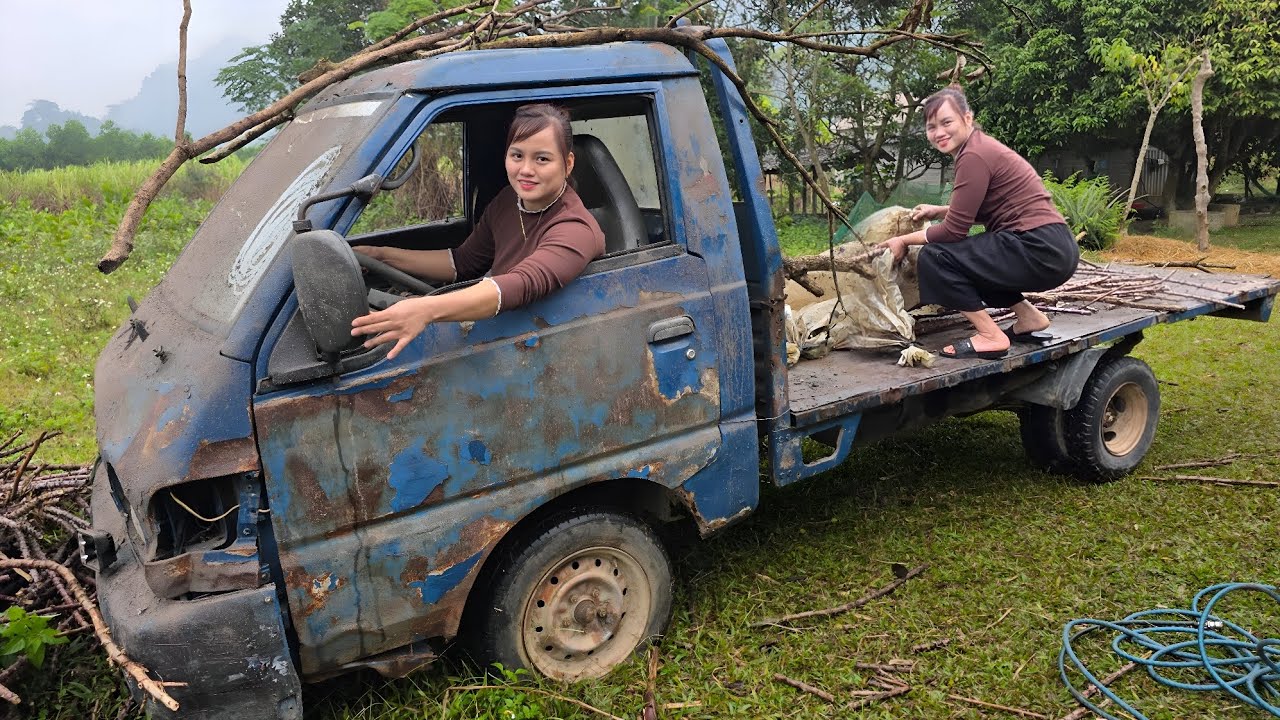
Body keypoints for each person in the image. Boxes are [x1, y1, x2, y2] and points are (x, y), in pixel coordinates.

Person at [351, 103, 606, 359]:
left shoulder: (576, 228)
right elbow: (463, 262)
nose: (526, 170)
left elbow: (522, 283)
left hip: (552, 348)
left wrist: (425, 309)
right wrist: (380, 256)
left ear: (568, 162)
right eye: (517, 155)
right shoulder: (508, 201)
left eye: (542, 159)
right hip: (508, 335)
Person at [879, 86, 1079, 359]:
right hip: (1052, 246)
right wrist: (939, 210)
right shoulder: (979, 148)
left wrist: (903, 240)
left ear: (968, 119)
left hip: (1037, 246)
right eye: (931, 126)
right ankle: (1029, 318)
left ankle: (990, 335)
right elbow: (988, 210)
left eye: (947, 122)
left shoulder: (973, 155)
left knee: (936, 257)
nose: (939, 132)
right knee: (972, 260)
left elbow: (953, 231)